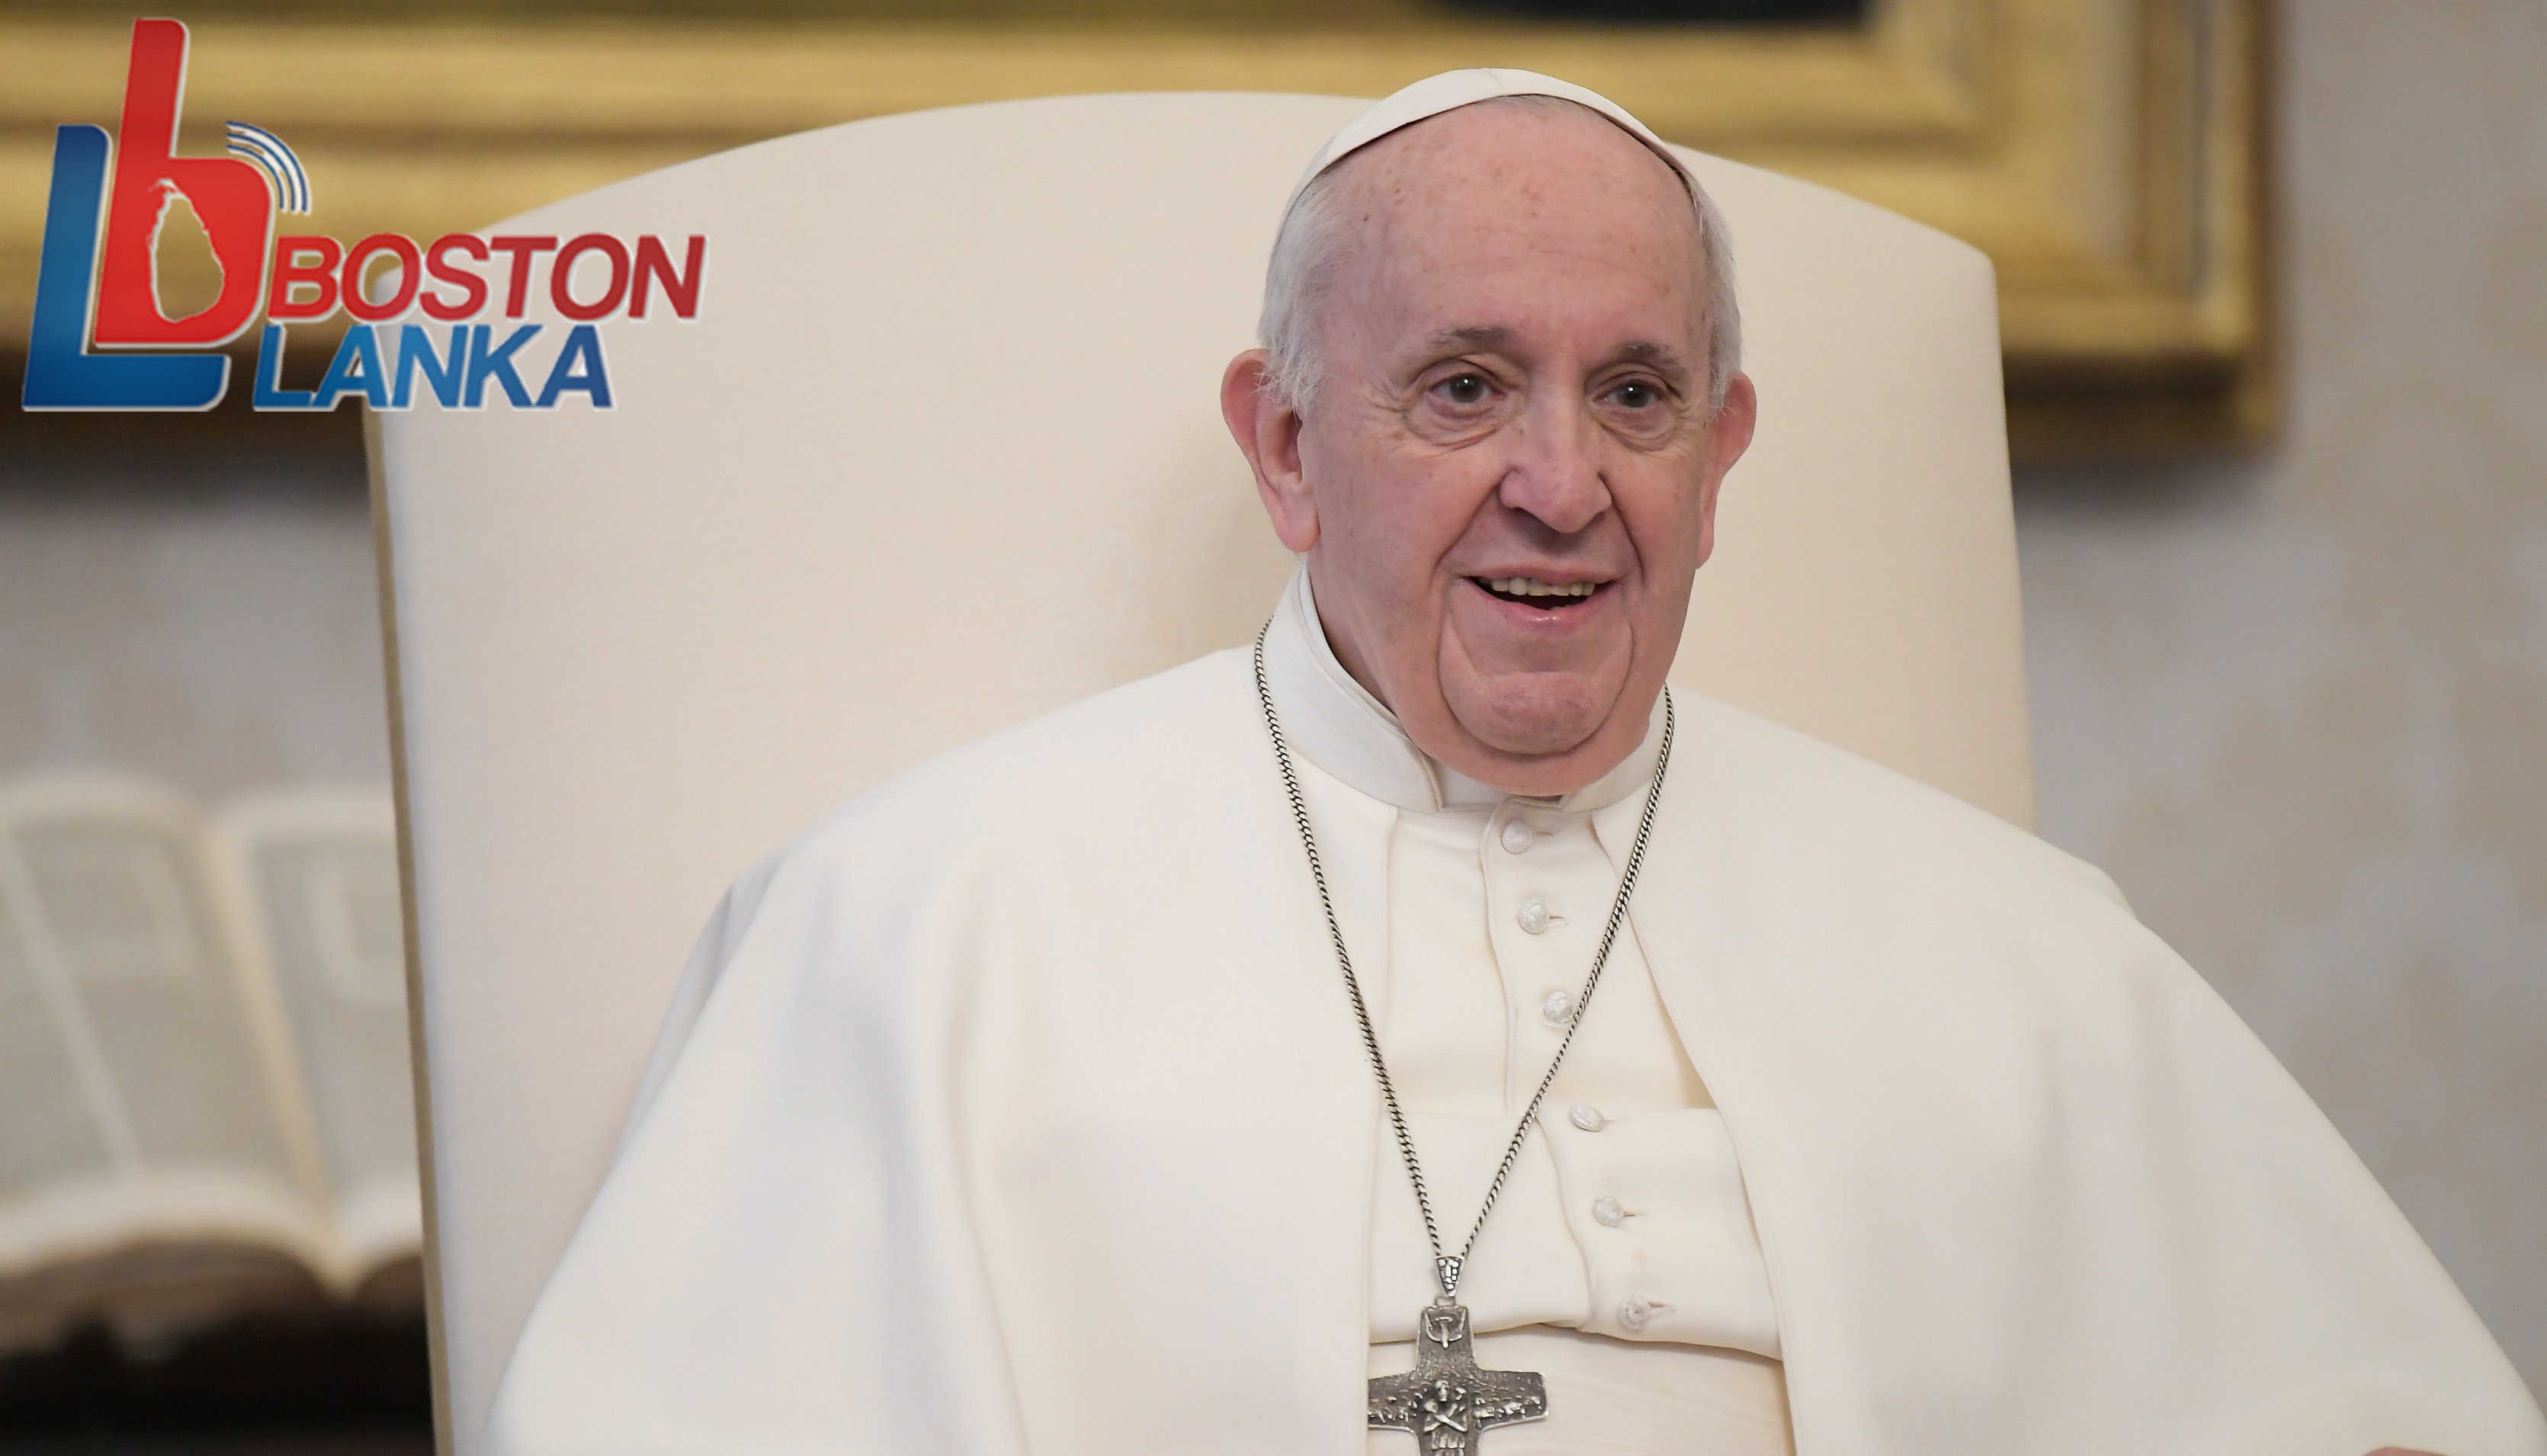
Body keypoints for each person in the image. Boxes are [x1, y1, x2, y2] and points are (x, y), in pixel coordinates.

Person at [483, 70, 2544, 1456]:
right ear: (1286, 446)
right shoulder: (920, 931)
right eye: (1465, 388)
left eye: (1633, 393)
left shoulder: (2024, 955)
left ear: (1721, 462)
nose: (1559, 485)